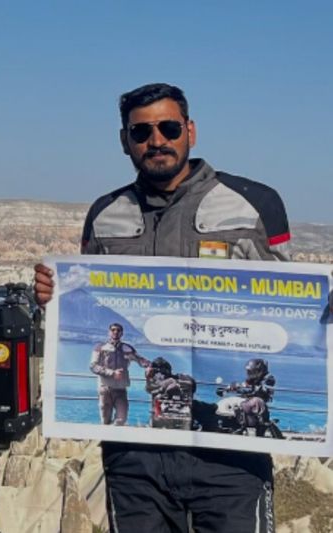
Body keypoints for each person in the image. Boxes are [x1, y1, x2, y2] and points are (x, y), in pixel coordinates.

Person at [34, 83, 289, 532]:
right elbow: (88, 306)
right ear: (125, 141)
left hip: (230, 460)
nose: (156, 140)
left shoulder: (255, 204)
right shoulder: (105, 214)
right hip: (136, 457)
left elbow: (290, 304)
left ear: (189, 130)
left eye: (169, 127)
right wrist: (52, 298)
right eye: (141, 132)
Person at [90, 323, 150, 425]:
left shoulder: (127, 349)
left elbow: (140, 360)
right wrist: (112, 373)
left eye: (118, 330)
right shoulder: (100, 348)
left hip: (121, 390)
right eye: (113, 330)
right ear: (109, 332)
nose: (115, 332)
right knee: (105, 421)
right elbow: (93, 366)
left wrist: (149, 366)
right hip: (105, 389)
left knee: (121, 420)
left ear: (122, 333)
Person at [224, 358, 276, 433]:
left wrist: (248, 391)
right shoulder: (253, 378)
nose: (250, 373)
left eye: (252, 371)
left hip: (259, 402)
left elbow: (261, 390)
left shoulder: (269, 378)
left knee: (250, 406)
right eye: (249, 371)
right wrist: (230, 388)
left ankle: (259, 425)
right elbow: (244, 385)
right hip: (250, 400)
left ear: (259, 370)